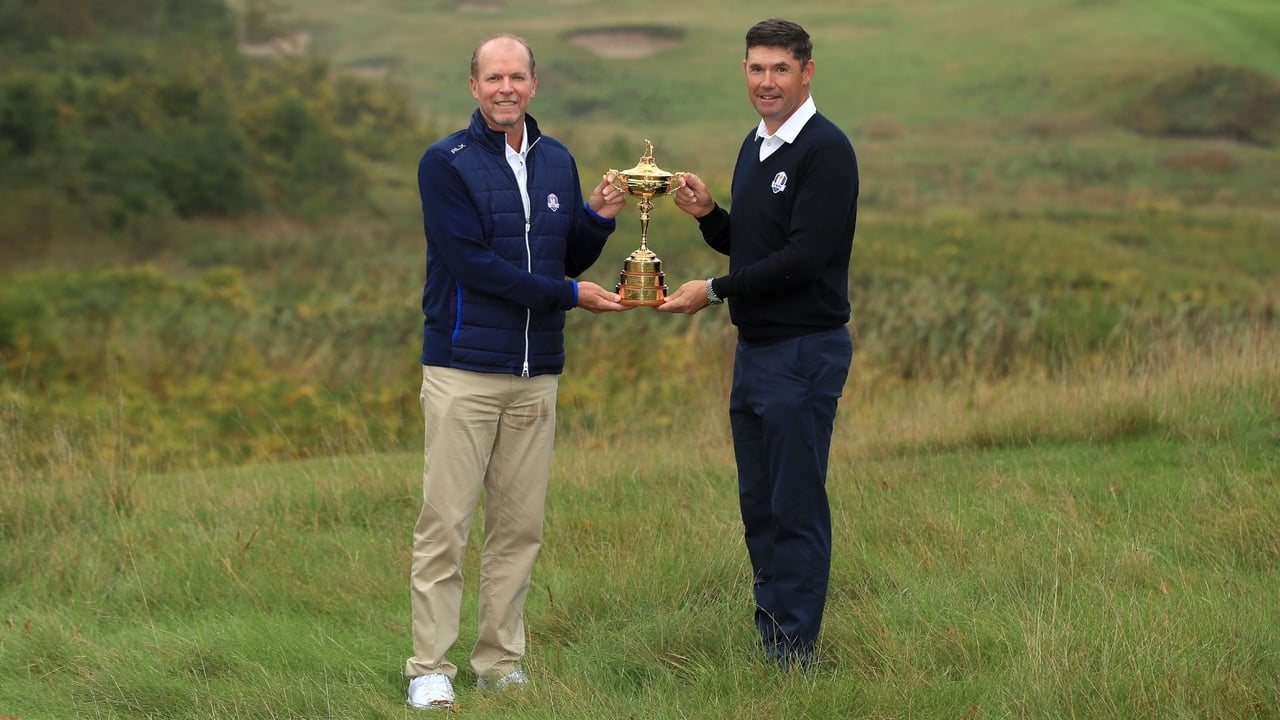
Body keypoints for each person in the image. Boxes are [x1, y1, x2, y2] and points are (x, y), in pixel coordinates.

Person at [405, 32, 630, 710]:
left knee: (518, 529)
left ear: (534, 84)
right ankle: (428, 669)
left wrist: (598, 218)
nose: (507, 88)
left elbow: (564, 257)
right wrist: (570, 296)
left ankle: (500, 663)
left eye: (518, 77)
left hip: (538, 374)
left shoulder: (557, 159)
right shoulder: (444, 163)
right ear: (474, 86)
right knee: (446, 526)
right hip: (464, 370)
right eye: (494, 77)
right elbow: (474, 264)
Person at [659, 18, 859, 667]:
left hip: (804, 352)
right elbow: (755, 246)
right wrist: (711, 217)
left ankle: (795, 656)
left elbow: (803, 259)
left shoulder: (826, 150)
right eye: (756, 68)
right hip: (756, 353)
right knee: (761, 507)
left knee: (794, 505)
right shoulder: (757, 144)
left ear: (807, 72)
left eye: (780, 69)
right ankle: (774, 638)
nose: (766, 81)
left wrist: (714, 290)